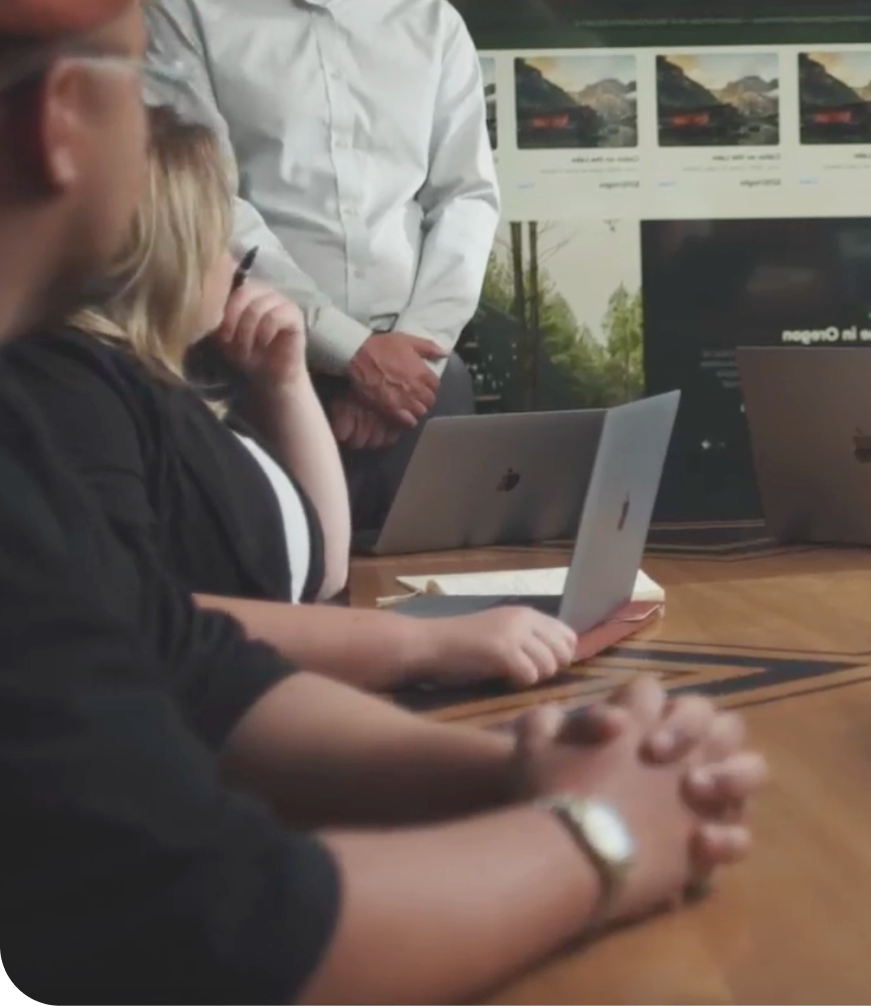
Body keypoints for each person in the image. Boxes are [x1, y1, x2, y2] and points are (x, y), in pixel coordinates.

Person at [0, 0, 766, 1006]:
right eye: (127, 81)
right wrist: (605, 837)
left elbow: (184, 661)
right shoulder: (46, 422)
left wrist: (514, 763)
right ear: (56, 129)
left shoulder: (44, 406)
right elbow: (226, 926)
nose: (160, 140)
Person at [8, 104, 581, 692]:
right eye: (221, 242)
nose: (236, 267)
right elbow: (133, 620)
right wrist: (426, 644)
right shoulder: (75, 391)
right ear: (167, 255)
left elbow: (321, 571)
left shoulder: (172, 388)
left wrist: (285, 382)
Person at [143, 0, 500, 532]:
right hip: (243, 382)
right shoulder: (185, 15)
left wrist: (408, 354)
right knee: (276, 613)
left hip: (423, 390)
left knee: (457, 608)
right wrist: (349, 353)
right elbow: (210, 207)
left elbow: (466, 198)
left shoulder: (430, 25)